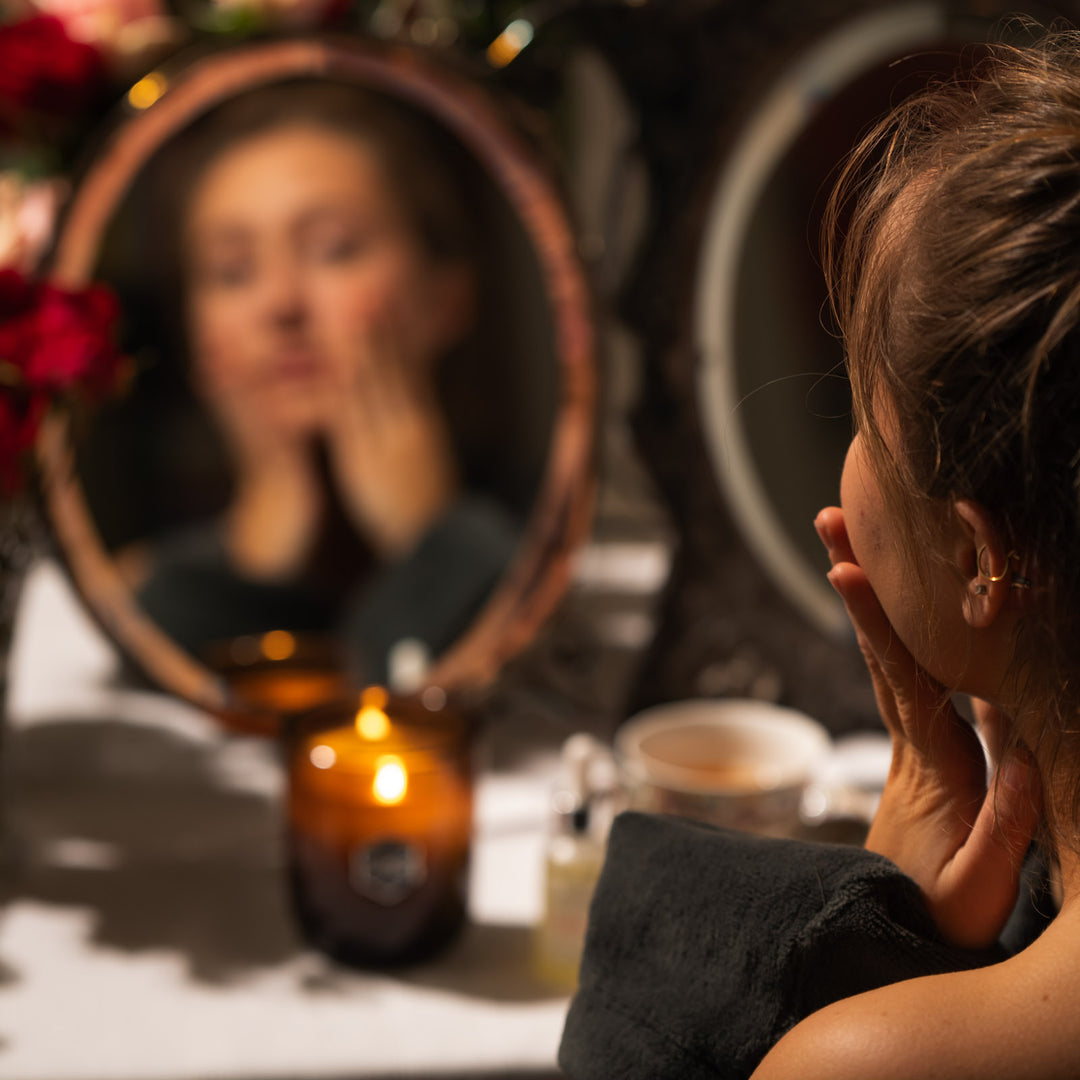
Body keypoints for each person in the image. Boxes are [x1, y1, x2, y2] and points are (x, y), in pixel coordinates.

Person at [560, 27, 1080, 1080]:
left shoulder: (862, 1063)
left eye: (863, 415)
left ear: (981, 559)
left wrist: (852, 935)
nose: (845, 467)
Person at [111, 80, 522, 683]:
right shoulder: (130, 597)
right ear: (196, 336)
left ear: (446, 298)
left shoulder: (549, 560)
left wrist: (434, 542)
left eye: (333, 250)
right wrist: (252, 560)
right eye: (232, 272)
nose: (281, 303)